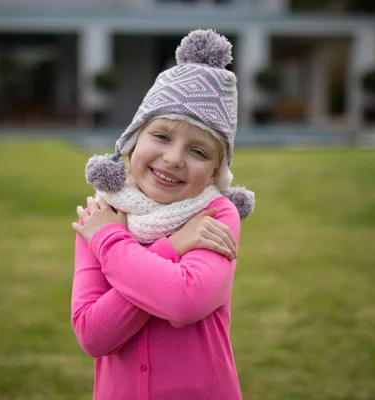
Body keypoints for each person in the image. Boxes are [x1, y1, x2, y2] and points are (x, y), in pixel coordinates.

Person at [71, 29, 255, 400]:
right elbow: (93, 334)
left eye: (199, 152)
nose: (173, 159)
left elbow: (183, 302)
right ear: (133, 139)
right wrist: (173, 246)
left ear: (217, 173)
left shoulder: (216, 215)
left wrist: (111, 243)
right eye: (162, 136)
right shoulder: (102, 215)